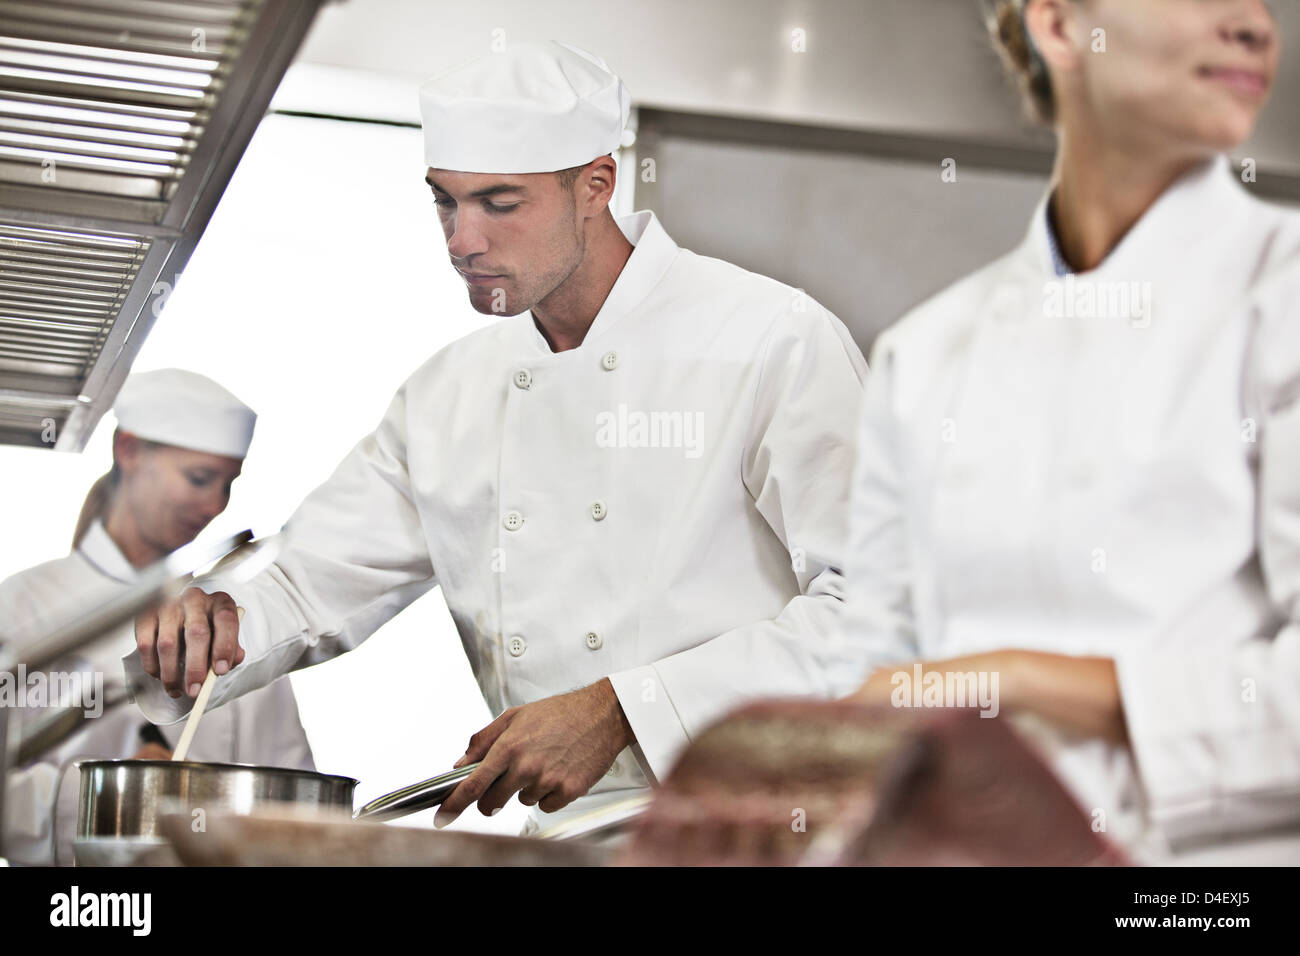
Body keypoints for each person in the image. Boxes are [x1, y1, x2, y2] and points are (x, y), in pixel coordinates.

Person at [125, 41, 867, 832]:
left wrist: (628, 708)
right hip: (568, 842)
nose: (460, 241)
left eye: (500, 204)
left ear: (596, 184)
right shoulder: (449, 397)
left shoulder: (767, 339)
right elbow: (310, 586)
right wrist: (210, 629)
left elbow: (886, 612)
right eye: (444, 201)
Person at [842, 0, 1299, 863]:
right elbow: (870, 675)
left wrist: (1014, 678)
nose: (1256, 22)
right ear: (1058, 27)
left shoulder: (1283, 295)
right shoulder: (928, 351)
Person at [0, 369, 313, 865]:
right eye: (199, 478)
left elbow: (290, 803)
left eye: (228, 485)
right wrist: (112, 795)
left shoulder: (224, 620)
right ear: (128, 450)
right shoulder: (19, 606)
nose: (214, 505)